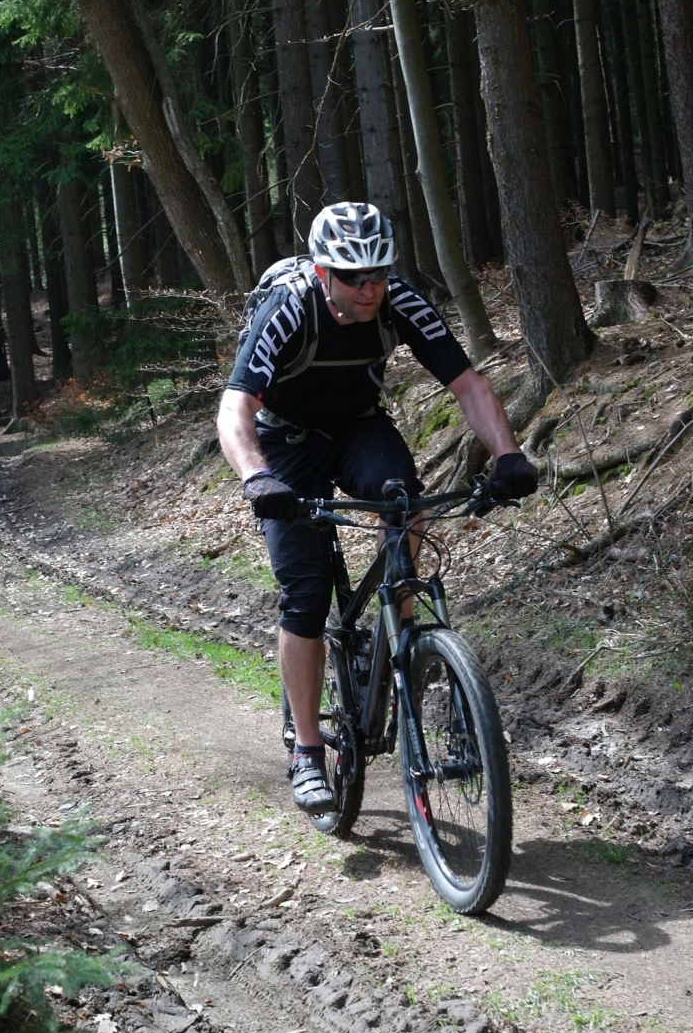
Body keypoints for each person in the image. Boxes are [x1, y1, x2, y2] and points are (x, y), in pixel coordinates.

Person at [216, 202, 538, 817]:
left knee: (405, 501)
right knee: (306, 596)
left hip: (359, 427)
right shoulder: (290, 308)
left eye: (379, 274)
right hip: (284, 443)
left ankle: (400, 633)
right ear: (322, 272)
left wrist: (507, 455)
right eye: (352, 276)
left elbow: (468, 384)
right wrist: (257, 477)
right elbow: (235, 407)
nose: (369, 288)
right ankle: (308, 750)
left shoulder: (400, 303)